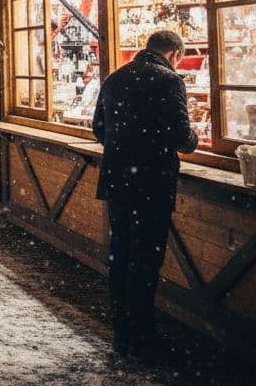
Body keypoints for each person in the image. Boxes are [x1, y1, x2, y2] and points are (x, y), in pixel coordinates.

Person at [93, 29, 199, 360]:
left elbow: (99, 127)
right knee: (145, 260)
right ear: (176, 54)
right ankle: (142, 336)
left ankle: (122, 333)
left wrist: (123, 148)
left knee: (121, 256)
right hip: (151, 183)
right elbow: (181, 136)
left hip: (117, 181)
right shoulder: (169, 81)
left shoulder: (114, 78)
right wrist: (193, 140)